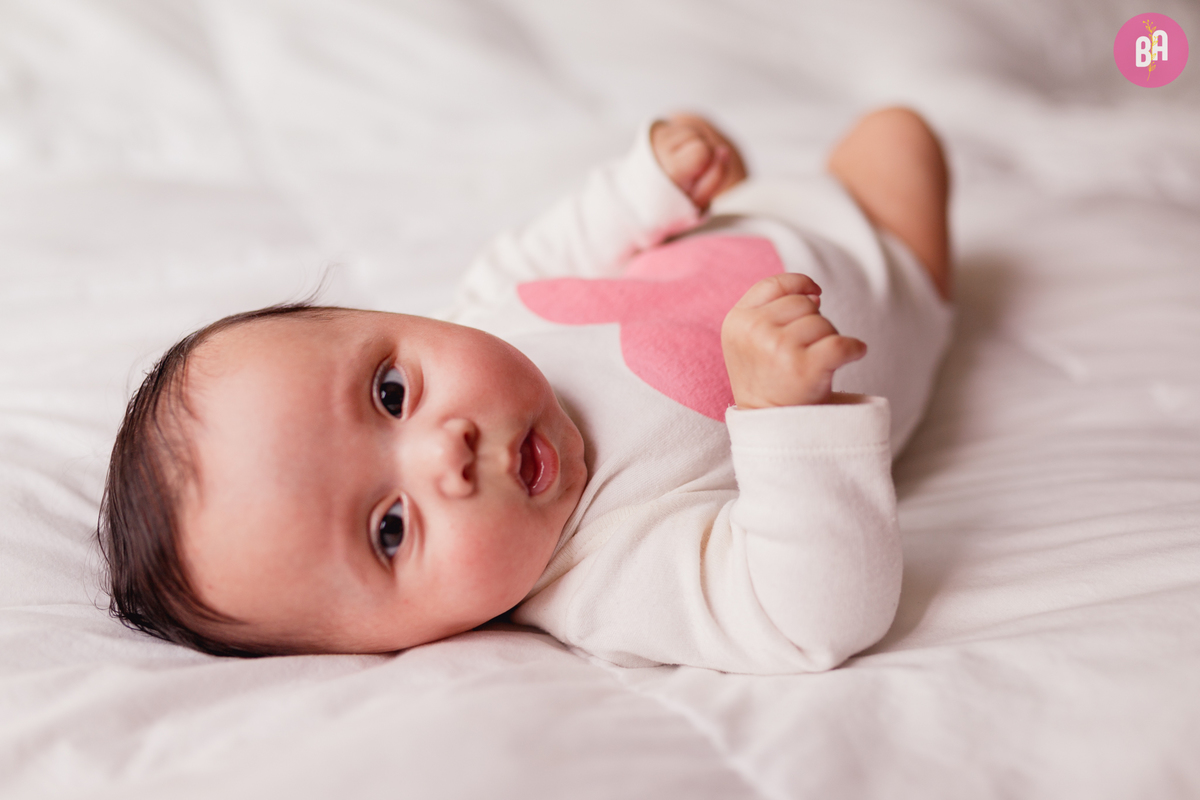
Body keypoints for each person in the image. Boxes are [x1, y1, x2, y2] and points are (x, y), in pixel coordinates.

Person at [99, 108, 953, 674]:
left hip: (744, 220)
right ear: (400, 644)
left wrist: (642, 190)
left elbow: (533, 261)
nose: (447, 448)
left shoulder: (478, 321)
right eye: (390, 530)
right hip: (885, 276)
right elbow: (811, 615)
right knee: (899, 137)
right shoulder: (609, 571)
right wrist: (784, 417)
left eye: (390, 394)